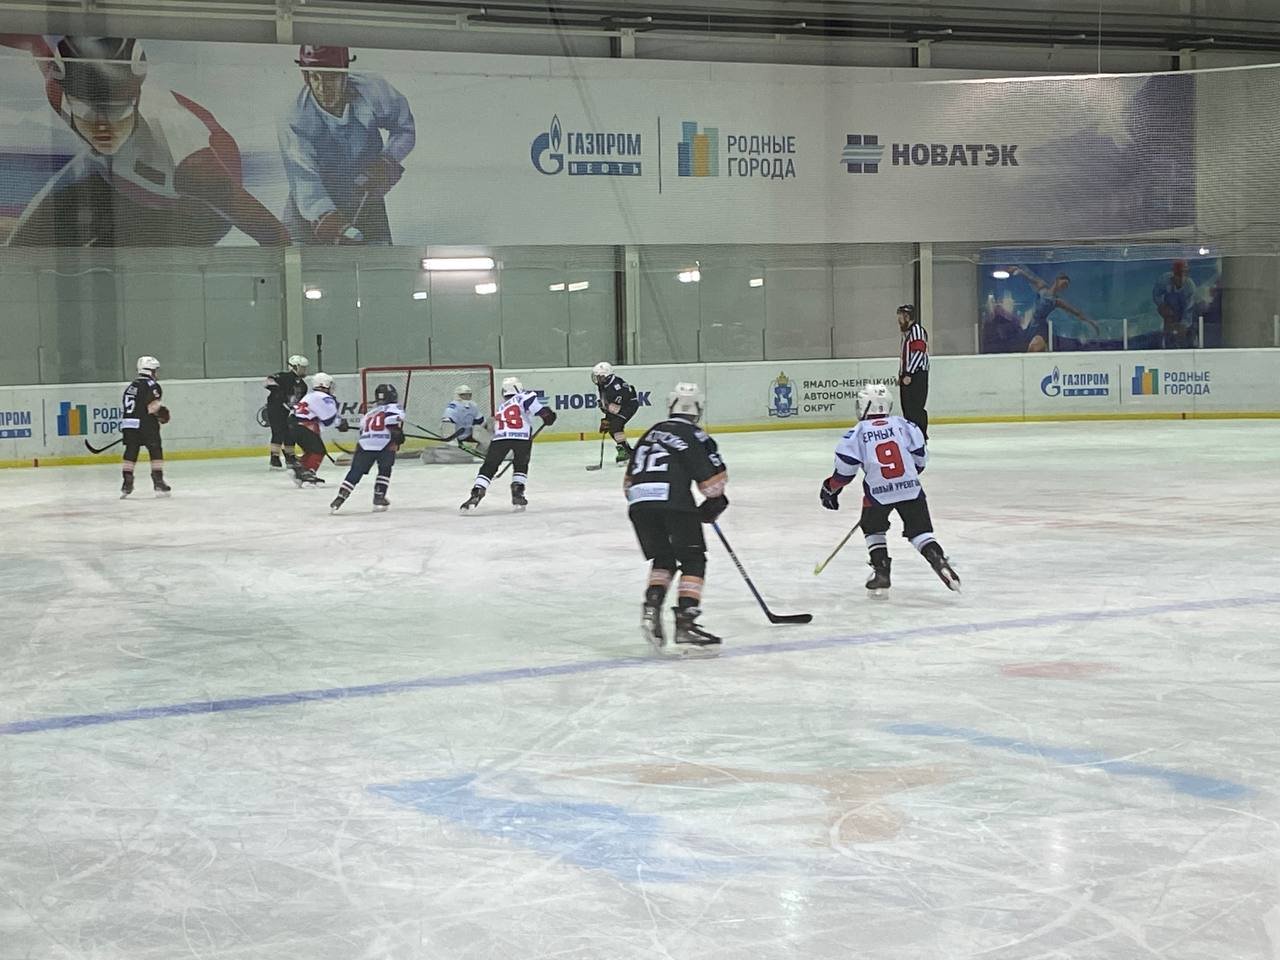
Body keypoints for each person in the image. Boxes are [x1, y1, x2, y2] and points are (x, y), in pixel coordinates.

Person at [2, 35, 287, 247]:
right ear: (70, 100)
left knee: (114, 272)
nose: (103, 128)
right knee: (20, 250)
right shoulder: (59, 96)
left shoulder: (187, 158)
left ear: (137, 100)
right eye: (88, 112)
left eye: (117, 112)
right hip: (110, 175)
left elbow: (274, 234)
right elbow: (34, 43)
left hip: (193, 211)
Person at [819, 383, 959, 595]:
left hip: (878, 494)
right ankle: (939, 560)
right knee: (920, 533)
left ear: (864, 406)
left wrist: (830, 488)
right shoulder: (905, 425)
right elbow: (920, 460)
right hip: (911, 489)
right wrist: (905, 477)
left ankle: (882, 571)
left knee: (873, 528)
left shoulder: (856, 434)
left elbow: (844, 474)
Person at [624, 382, 728, 652]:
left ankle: (651, 608)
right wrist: (715, 502)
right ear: (699, 409)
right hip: (674, 505)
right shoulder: (696, 435)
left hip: (639, 503)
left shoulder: (651, 433)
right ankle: (685, 622)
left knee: (664, 558)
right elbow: (713, 484)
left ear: (671, 406)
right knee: (693, 559)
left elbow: (628, 483)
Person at [279, 45, 416, 245]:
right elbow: (304, 177)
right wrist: (327, 218)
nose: (322, 88)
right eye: (315, 77)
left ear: (345, 72)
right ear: (306, 77)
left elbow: (404, 128)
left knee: (381, 259)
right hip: (310, 209)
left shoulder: (373, 90)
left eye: (331, 77)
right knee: (297, 260)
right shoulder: (295, 116)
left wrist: (387, 160)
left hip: (365, 195)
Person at [459, 377, 556, 513]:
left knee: (489, 466)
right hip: (521, 437)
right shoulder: (525, 396)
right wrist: (549, 416)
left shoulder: (503, 406)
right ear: (518, 387)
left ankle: (477, 492)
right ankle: (517, 493)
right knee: (521, 465)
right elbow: (542, 412)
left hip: (500, 438)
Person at [330, 383, 405, 513]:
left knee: (356, 471)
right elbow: (395, 418)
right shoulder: (395, 407)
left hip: (364, 444)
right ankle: (379, 496)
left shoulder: (369, 413)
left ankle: (340, 497)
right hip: (384, 443)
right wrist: (396, 431)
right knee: (385, 469)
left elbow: (362, 430)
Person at [1008, 266, 1099, 352]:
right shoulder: (1042, 288)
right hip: (1031, 324)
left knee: (1037, 345)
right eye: (1063, 283)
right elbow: (1029, 278)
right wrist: (1019, 270)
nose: (1064, 286)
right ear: (1057, 280)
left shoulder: (1057, 301)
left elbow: (1076, 312)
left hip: (1041, 327)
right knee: (1026, 345)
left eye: (1066, 286)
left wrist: (1091, 322)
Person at [119, 355, 171, 498]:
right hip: (146, 424)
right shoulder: (152, 385)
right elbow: (152, 406)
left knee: (131, 451)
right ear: (150, 370)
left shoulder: (131, 386)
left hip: (129, 424)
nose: (156, 373)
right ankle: (158, 480)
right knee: (155, 449)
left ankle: (127, 481)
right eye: (155, 370)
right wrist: (162, 414)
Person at [289, 372, 339, 486]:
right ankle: (308, 475)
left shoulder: (310, 395)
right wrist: (340, 423)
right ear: (324, 384)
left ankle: (298, 470)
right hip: (304, 427)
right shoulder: (324, 397)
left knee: (310, 451)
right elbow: (328, 419)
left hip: (293, 426)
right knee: (318, 451)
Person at [264, 355, 309, 470]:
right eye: (302, 368)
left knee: (290, 432)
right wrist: (278, 393)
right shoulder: (284, 377)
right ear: (294, 367)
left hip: (289, 411)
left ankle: (290, 457)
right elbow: (269, 381)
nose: (304, 370)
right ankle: (274, 458)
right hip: (276, 409)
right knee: (278, 432)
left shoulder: (303, 385)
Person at [592, 361, 640, 463]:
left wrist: (608, 419)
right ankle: (626, 450)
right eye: (597, 377)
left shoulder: (617, 387)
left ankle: (625, 451)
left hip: (628, 406)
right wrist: (607, 418)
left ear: (608, 376)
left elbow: (616, 408)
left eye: (600, 377)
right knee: (613, 428)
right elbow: (607, 403)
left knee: (615, 426)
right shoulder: (603, 384)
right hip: (617, 406)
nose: (598, 379)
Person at [895, 305, 930, 440]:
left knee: (916, 408)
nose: (899, 320)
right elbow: (904, 357)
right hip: (908, 375)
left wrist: (909, 373)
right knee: (907, 408)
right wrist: (901, 374)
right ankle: (911, 437)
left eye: (901, 317)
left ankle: (920, 437)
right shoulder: (906, 333)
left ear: (908, 317)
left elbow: (918, 353)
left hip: (917, 375)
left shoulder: (917, 331)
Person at [1152, 259, 1199, 349]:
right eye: (1178, 274)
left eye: (1184, 274)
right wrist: (1162, 306)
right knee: (1168, 335)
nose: (1181, 278)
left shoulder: (1190, 287)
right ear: (1173, 273)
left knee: (1185, 333)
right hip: (1169, 310)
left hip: (1185, 314)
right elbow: (1156, 294)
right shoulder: (1164, 280)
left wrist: (1183, 325)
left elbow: (1188, 310)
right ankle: (1167, 344)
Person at [441, 384, 486, 448]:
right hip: (455, 435)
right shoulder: (453, 407)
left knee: (486, 439)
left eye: (469, 395)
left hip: (468, 434)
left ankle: (481, 451)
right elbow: (447, 423)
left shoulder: (473, 406)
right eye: (463, 395)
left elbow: (480, 420)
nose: (467, 397)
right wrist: (450, 438)